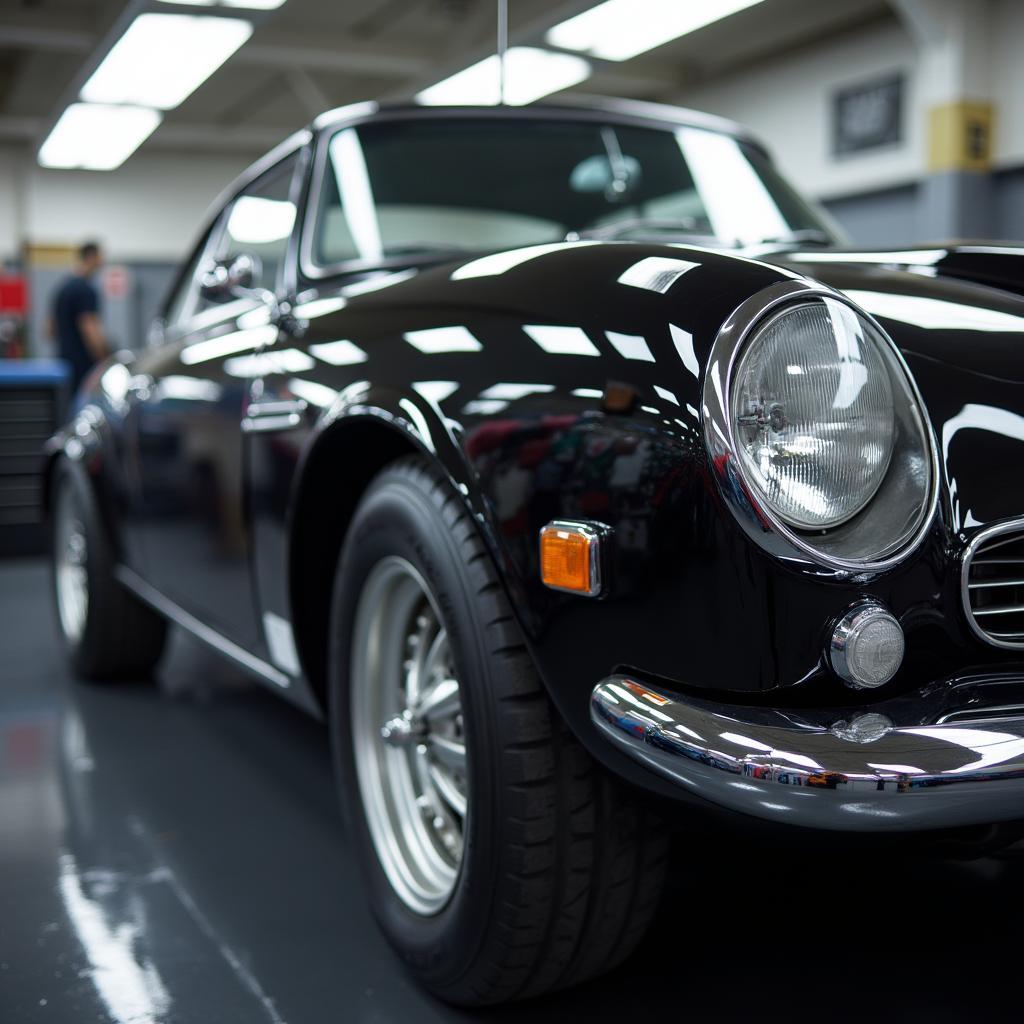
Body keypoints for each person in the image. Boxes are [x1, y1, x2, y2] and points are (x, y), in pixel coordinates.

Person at [51, 241, 109, 391]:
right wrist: (105, 361)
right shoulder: (86, 290)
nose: (102, 261)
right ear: (91, 257)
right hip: (83, 367)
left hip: (64, 363)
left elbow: (49, 330)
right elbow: (90, 330)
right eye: (100, 257)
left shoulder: (63, 287)